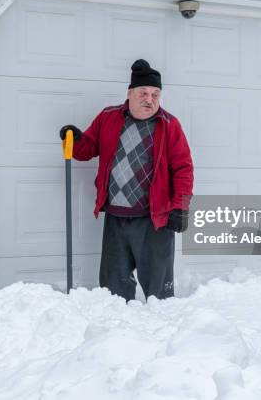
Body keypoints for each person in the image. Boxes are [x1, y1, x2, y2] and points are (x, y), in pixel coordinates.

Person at [59, 59, 194, 301]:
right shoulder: (108, 117)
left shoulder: (169, 125)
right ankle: (116, 334)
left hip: (154, 220)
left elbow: (183, 168)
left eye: (155, 94)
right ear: (129, 93)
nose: (149, 99)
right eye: (143, 93)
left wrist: (180, 207)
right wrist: (77, 139)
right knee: (113, 291)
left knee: (159, 292)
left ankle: (161, 331)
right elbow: (86, 149)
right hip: (116, 218)